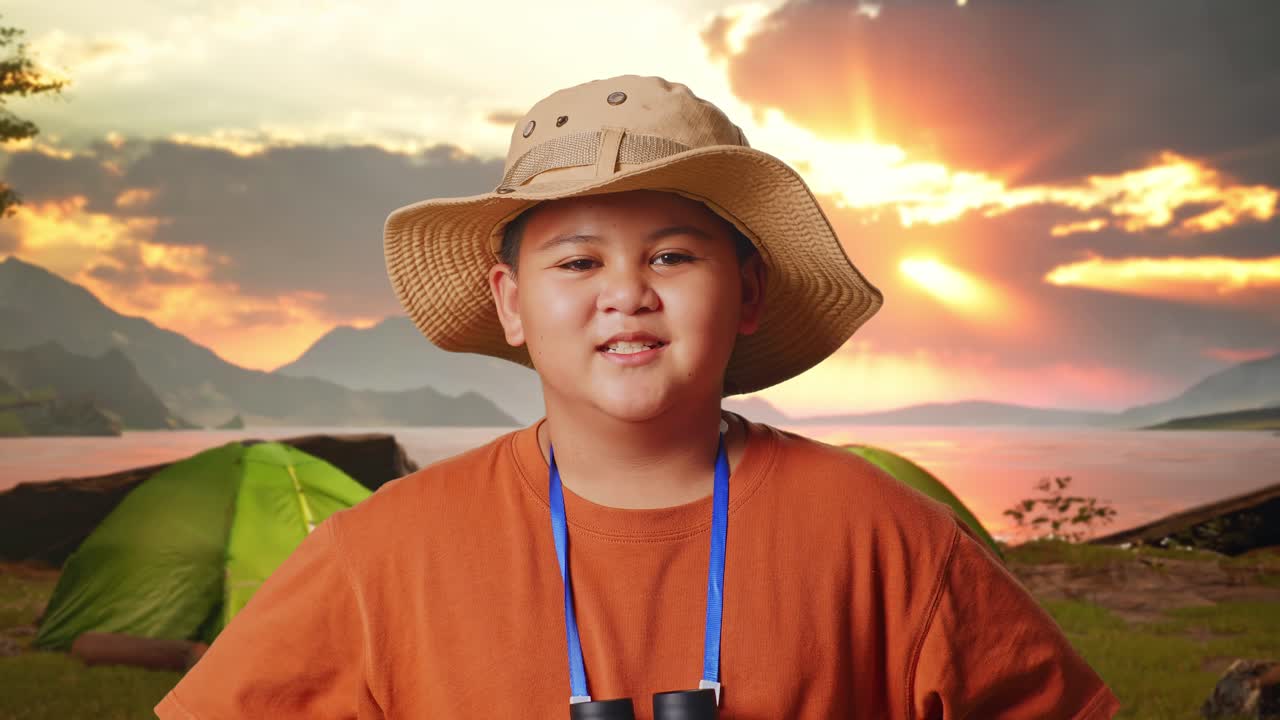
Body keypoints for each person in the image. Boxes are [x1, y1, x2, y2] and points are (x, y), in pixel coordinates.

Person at [154, 75, 1121, 719]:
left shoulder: (886, 540)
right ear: (511, 303)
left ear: (746, 292)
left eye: (672, 254)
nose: (628, 291)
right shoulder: (380, 556)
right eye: (577, 259)